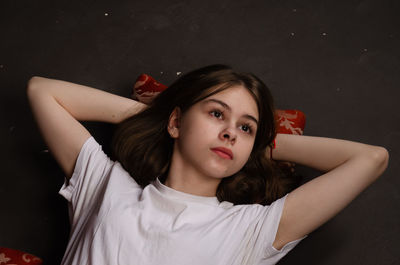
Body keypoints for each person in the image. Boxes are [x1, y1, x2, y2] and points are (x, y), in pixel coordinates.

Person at [27, 64, 389, 265]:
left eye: (245, 127)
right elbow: (42, 90)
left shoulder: (251, 230)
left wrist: (261, 146)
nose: (231, 132)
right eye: (217, 114)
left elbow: (371, 159)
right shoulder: (106, 184)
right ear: (176, 122)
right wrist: (159, 118)